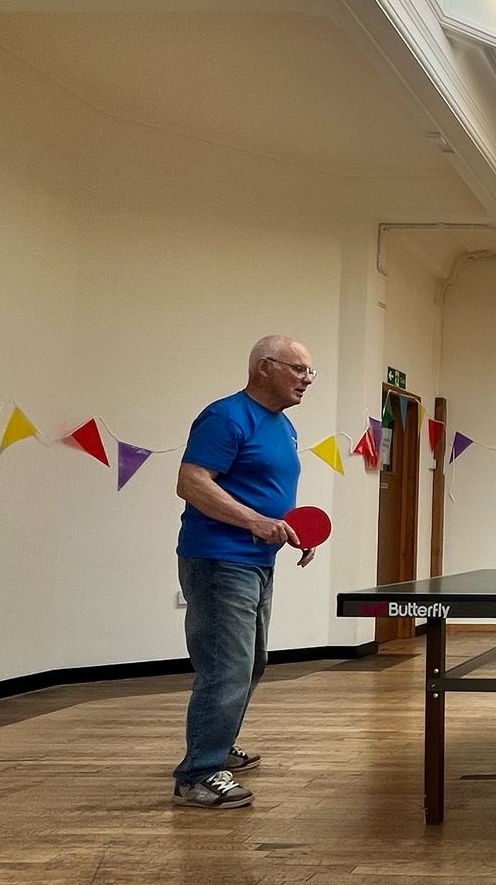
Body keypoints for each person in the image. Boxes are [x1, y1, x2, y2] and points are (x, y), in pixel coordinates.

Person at [172, 335, 318, 808]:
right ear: (264, 368)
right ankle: (198, 773)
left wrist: (294, 530)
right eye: (299, 369)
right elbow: (191, 482)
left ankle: (215, 744)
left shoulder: (283, 426)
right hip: (218, 559)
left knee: (251, 663)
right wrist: (255, 521)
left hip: (257, 561)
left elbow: (265, 488)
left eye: (310, 372)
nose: (307, 380)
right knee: (226, 666)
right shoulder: (226, 416)